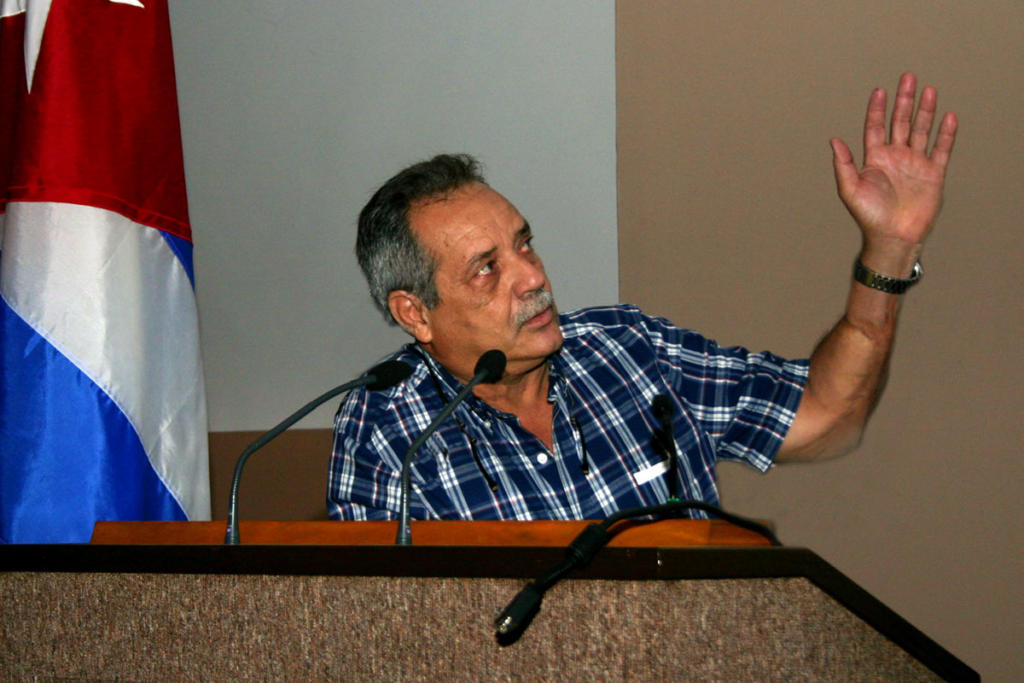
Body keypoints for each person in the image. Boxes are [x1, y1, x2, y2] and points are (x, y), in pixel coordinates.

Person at [327, 72, 957, 521]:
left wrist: (890, 250)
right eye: (487, 269)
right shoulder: (390, 428)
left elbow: (828, 417)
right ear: (415, 313)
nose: (532, 276)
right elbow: (397, 638)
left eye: (525, 243)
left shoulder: (628, 350)